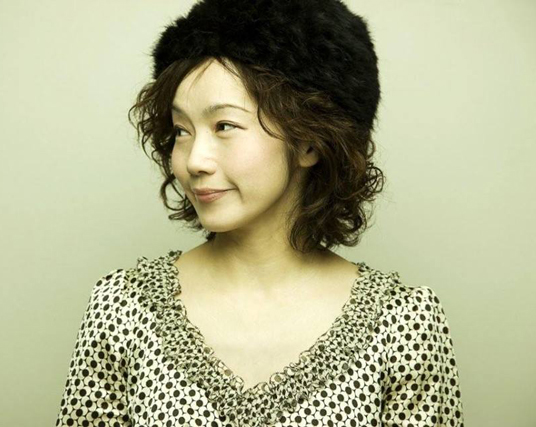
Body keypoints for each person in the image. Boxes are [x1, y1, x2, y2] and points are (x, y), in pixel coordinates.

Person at [55, 0, 464, 426]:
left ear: (309, 142)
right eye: (181, 131)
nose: (194, 160)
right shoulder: (124, 307)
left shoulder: (401, 323)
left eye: (224, 126)